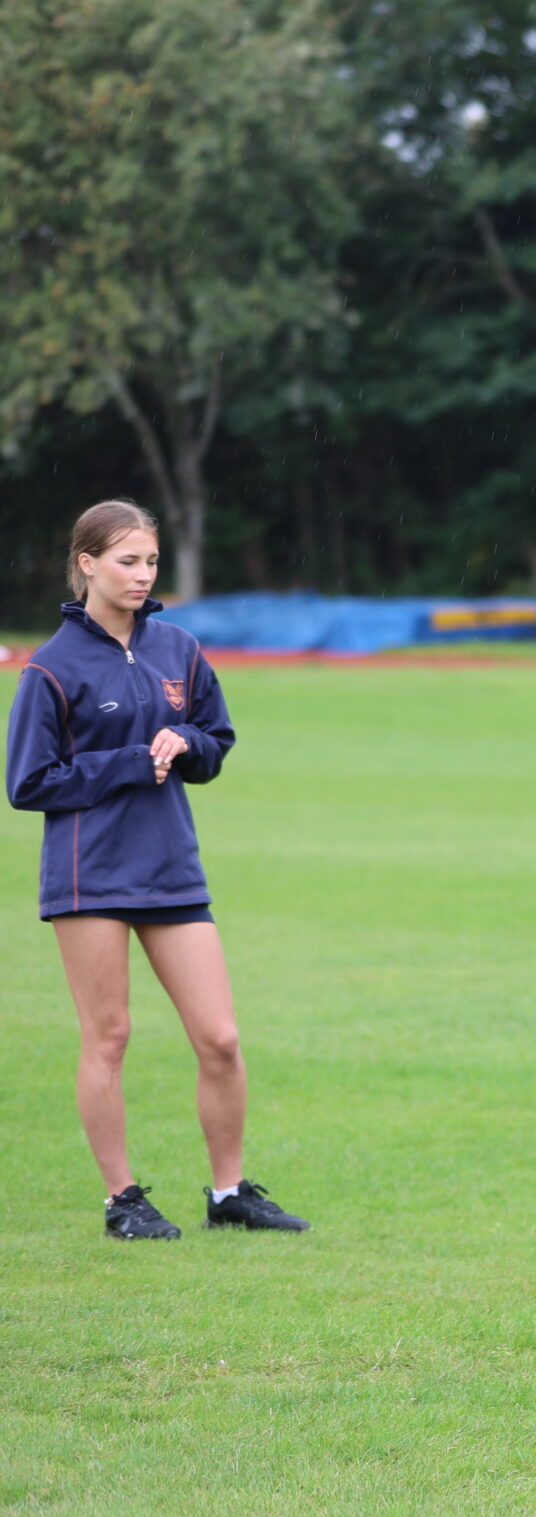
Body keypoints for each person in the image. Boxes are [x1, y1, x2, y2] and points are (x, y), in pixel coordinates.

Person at [5, 501, 308, 1241]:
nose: (142, 576)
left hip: (171, 866)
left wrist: (188, 743)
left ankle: (229, 1190)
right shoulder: (50, 667)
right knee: (108, 1036)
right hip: (90, 874)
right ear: (86, 564)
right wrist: (133, 761)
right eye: (126, 561)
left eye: (150, 561)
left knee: (221, 1037)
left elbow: (216, 740)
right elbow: (28, 782)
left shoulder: (179, 648)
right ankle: (122, 1200)